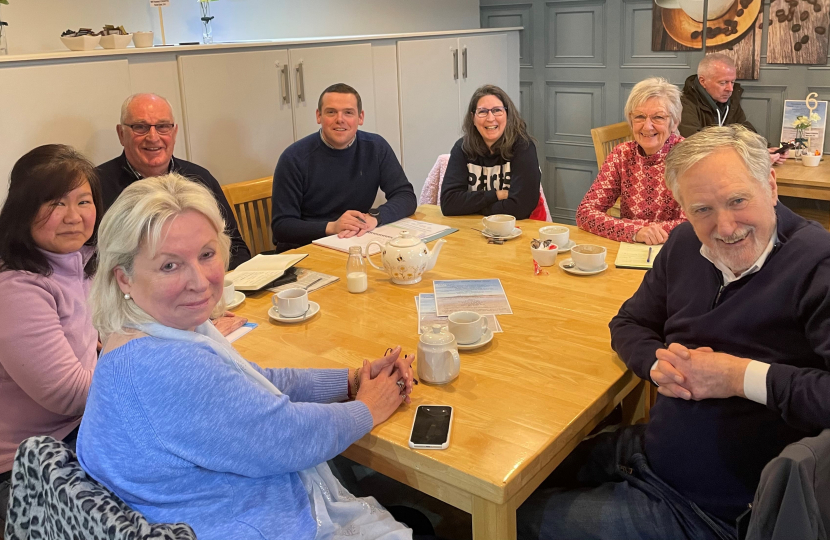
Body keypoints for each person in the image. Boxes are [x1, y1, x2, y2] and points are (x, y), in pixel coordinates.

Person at [517, 125, 830, 540]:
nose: (725, 226)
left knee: (516, 521)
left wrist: (738, 377)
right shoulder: (683, 244)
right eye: (701, 209)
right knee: (521, 477)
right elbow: (629, 323)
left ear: (770, 186)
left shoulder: (816, 263)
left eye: (738, 200)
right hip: (649, 450)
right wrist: (655, 365)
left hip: (712, 511)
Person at [78, 174, 425, 540]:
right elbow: (287, 437)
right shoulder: (165, 366)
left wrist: (351, 380)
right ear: (124, 278)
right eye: (169, 265)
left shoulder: (145, 333)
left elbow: (252, 383)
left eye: (206, 254)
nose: (198, 280)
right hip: (247, 524)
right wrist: (369, 407)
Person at [0, 145, 102, 531]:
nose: (73, 216)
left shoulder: (77, 262)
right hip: (30, 464)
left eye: (83, 200)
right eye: (56, 203)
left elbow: (97, 338)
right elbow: (69, 396)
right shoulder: (16, 289)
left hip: (84, 428)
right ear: (24, 208)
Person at [96, 93, 251, 269]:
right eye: (140, 127)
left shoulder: (200, 179)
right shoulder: (94, 187)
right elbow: (92, 263)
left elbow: (235, 247)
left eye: (162, 127)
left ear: (174, 132)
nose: (153, 137)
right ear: (121, 134)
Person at [270, 83, 417, 252]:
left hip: (355, 243)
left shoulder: (376, 147)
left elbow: (406, 196)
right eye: (331, 112)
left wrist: (375, 217)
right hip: (305, 249)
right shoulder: (294, 158)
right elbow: (282, 227)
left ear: (360, 118)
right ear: (319, 116)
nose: (340, 119)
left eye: (348, 112)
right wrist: (332, 227)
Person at [576, 77, 686, 245]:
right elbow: (585, 213)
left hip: (676, 249)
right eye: (640, 117)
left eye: (658, 117)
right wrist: (636, 232)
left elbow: (696, 223)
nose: (647, 126)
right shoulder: (622, 154)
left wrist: (649, 232)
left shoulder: (690, 159)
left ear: (674, 123)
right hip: (631, 249)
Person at [440, 84, 544, 220]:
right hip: (476, 228)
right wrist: (497, 195)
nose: (490, 118)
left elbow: (520, 208)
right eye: (482, 111)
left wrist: (473, 208)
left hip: (523, 228)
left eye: (497, 110)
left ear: (508, 114)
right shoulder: (462, 148)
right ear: (473, 118)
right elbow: (449, 204)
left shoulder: (523, 147)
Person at [679, 53, 787, 164]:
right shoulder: (684, 105)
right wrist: (752, 159)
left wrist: (764, 150)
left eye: (732, 82)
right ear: (703, 81)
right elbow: (694, 148)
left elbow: (745, 131)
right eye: (723, 83)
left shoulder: (730, 102)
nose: (730, 89)